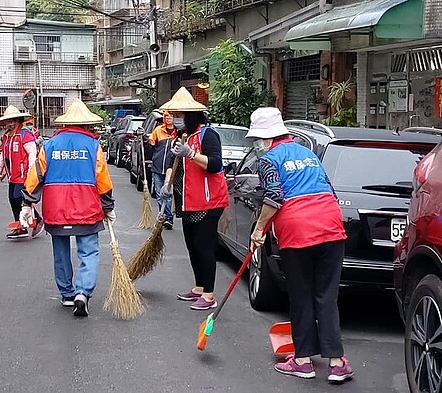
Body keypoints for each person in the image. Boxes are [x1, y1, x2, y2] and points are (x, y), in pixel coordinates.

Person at [246, 107, 353, 383]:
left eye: (257, 139)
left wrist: (259, 230)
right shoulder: (308, 154)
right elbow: (328, 188)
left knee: (302, 295)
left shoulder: (268, 160)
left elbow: (274, 197)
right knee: (327, 296)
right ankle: (337, 362)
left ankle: (303, 360)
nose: (257, 144)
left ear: (267, 138)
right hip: (331, 226)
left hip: (298, 232)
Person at [20, 99, 116, 317]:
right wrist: (108, 206)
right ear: (87, 124)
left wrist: (27, 203)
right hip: (88, 208)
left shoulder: (50, 145)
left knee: (60, 252)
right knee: (89, 251)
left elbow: (35, 176)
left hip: (56, 209)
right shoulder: (93, 145)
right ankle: (83, 292)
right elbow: (102, 179)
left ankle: (66, 294)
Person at [159, 87, 229, 311]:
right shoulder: (181, 136)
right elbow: (172, 164)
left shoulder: (208, 135)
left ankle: (209, 295)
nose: (175, 119)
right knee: (192, 245)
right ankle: (199, 287)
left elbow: (216, 164)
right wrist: (167, 184)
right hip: (187, 201)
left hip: (208, 202)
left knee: (205, 247)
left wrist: (191, 154)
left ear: (190, 115)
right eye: (174, 115)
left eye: (179, 115)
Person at [0, 105, 43, 239]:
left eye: (11, 121)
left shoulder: (24, 134)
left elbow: (32, 153)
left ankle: (37, 220)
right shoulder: (6, 136)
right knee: (12, 200)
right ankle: (20, 226)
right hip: (12, 175)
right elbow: (3, 154)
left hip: (24, 175)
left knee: (19, 198)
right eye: (7, 121)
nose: (9, 124)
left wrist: (31, 171)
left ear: (17, 121)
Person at [146, 111, 177, 229]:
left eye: (171, 116)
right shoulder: (158, 130)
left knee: (167, 192)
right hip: (157, 167)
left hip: (172, 169)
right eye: (166, 116)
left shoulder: (179, 133)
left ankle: (168, 217)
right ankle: (164, 215)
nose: (169, 118)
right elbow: (150, 146)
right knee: (159, 194)